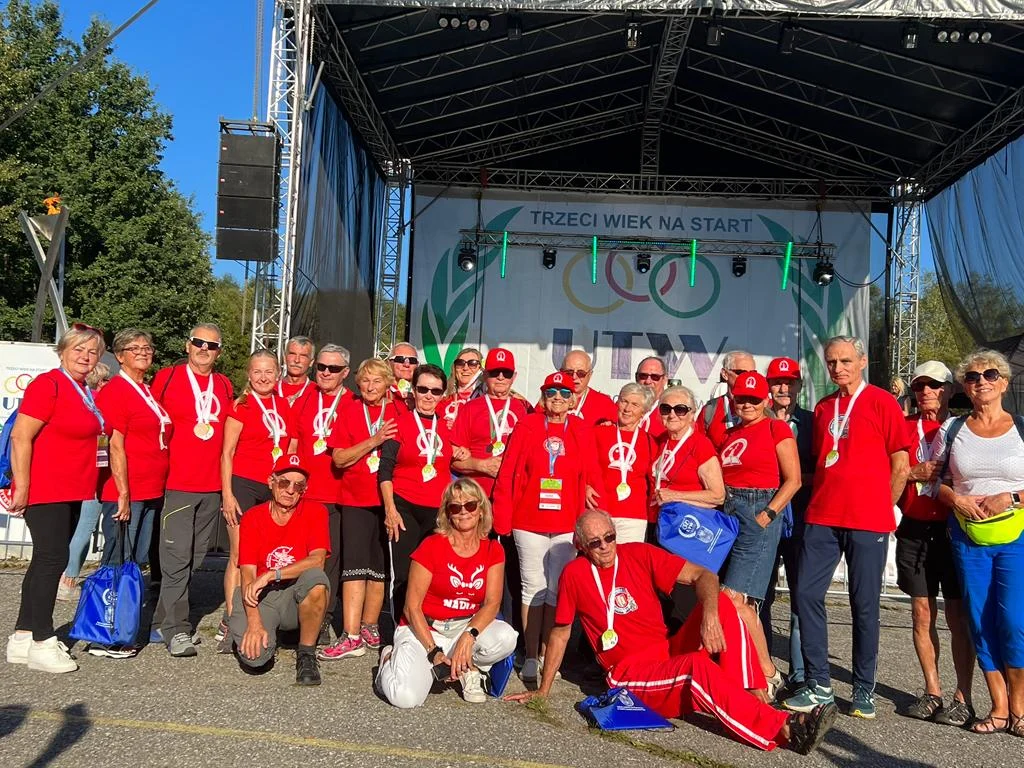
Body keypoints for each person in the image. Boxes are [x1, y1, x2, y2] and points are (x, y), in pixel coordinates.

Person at [506, 510, 837, 755]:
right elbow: (561, 633)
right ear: (580, 543)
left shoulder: (636, 553)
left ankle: (752, 695)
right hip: (629, 675)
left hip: (666, 652)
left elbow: (703, 575)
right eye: (595, 542)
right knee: (697, 666)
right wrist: (544, 690)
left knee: (722, 603)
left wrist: (708, 614)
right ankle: (784, 727)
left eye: (610, 537)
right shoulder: (575, 574)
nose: (606, 546)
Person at [783, 336, 910, 719]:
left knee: (865, 605)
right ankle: (819, 684)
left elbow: (901, 465)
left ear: (862, 360)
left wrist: (880, 506)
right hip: (822, 516)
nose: (838, 368)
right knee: (804, 594)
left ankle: (862, 689)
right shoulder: (823, 408)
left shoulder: (882, 402)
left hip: (866, 520)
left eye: (845, 360)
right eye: (831, 361)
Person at [5, 325, 106, 673]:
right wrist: (22, 485)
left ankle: (22, 636)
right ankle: (42, 640)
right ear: (62, 351)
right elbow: (21, 436)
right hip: (47, 487)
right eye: (78, 349)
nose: (86, 356)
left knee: (44, 561)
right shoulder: (48, 385)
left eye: (92, 351)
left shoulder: (82, 389)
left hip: (73, 488)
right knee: (52, 559)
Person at [934, 349, 1024, 736]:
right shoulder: (951, 430)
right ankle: (999, 708)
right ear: (965, 388)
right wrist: (956, 498)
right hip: (967, 538)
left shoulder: (1021, 427)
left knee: (1014, 621)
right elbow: (929, 480)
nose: (981, 381)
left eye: (989, 374)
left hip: (1016, 539)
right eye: (972, 377)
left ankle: (1020, 708)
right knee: (979, 620)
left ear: (1004, 382)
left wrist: (1011, 497)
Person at [493, 372, 601, 683]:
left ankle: (545, 653)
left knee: (557, 589)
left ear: (573, 399)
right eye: (551, 391)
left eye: (564, 393)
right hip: (529, 520)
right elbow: (508, 473)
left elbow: (593, 474)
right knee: (532, 588)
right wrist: (503, 518)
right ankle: (528, 655)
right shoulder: (527, 425)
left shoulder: (580, 429)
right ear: (543, 396)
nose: (557, 398)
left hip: (567, 524)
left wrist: (593, 508)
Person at [376, 478, 518, 707]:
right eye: (455, 507)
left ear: (481, 510)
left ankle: (466, 667)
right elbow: (411, 607)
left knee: (506, 637)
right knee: (405, 698)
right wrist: (433, 652)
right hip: (425, 629)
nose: (463, 512)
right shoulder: (431, 546)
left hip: (464, 626)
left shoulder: (493, 549)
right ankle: (388, 661)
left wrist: (468, 636)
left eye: (470, 505)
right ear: (447, 513)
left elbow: (492, 603)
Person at [897, 360, 975, 726]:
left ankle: (963, 696)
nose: (925, 392)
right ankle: (932, 691)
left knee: (958, 617)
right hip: (913, 528)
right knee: (921, 613)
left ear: (948, 390)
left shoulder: (963, 428)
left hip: (952, 530)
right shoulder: (902, 427)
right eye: (919, 386)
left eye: (933, 385)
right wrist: (912, 473)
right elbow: (887, 472)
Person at [150, 324, 235, 657]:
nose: (204, 349)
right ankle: (176, 629)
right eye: (199, 342)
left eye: (212, 345)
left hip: (212, 487)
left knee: (195, 559)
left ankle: (161, 622)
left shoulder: (225, 385)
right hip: (178, 484)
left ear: (219, 352)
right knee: (175, 557)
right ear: (187, 346)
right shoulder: (167, 378)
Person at [87, 330, 172, 658]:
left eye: (147, 347)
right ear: (119, 356)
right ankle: (104, 634)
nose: (142, 352)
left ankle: (125, 627)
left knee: (135, 563)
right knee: (117, 561)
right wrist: (122, 492)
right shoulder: (116, 392)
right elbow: (115, 444)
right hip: (126, 492)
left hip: (149, 490)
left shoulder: (146, 390)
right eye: (133, 348)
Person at [717, 371, 799, 696]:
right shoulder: (729, 433)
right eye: (742, 398)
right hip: (729, 512)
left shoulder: (776, 428)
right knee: (739, 603)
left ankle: (766, 674)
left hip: (758, 509)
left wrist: (767, 514)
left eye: (754, 398)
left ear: (765, 400)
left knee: (735, 597)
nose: (748, 404)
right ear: (733, 400)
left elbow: (793, 479)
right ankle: (761, 674)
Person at [379, 364, 470, 641]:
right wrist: (390, 509)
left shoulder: (446, 426)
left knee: (432, 573)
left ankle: (426, 629)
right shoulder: (400, 422)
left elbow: (455, 455)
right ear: (413, 392)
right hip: (404, 505)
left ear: (443, 394)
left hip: (438, 511)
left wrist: (461, 450)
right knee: (403, 573)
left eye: (435, 391)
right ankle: (399, 633)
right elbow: (385, 470)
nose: (429, 396)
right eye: (423, 389)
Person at [320, 358, 399, 660]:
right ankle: (351, 635)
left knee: (378, 569)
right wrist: (374, 440)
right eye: (365, 381)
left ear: (388, 383)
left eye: (376, 381)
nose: (369, 386)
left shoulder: (397, 411)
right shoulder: (350, 410)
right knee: (354, 568)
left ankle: (370, 625)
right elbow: (339, 459)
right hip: (354, 498)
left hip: (387, 499)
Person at [230, 453, 330, 686]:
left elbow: (317, 560)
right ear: (271, 482)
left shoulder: (316, 512)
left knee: (317, 580)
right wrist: (254, 624)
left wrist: (271, 574)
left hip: (294, 591)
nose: (290, 490)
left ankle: (306, 653)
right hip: (262, 597)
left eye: (298, 486)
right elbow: (247, 574)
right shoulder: (253, 517)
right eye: (284, 482)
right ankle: (272, 632)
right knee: (254, 659)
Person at [218, 350, 295, 651]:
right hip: (244, 484)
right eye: (257, 372)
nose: (263, 377)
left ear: (278, 374)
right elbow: (226, 453)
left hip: (273, 487)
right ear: (249, 375)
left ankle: (262, 614)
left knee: (267, 554)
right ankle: (230, 619)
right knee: (240, 555)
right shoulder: (242, 406)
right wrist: (227, 494)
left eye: (269, 371)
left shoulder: (284, 405)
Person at [760, 356, 814, 694]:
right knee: (761, 596)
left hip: (803, 520)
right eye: (777, 382)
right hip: (765, 518)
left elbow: (825, 469)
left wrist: (793, 479)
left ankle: (800, 673)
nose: (783, 388)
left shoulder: (812, 422)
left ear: (798, 386)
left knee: (801, 596)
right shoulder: (755, 421)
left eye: (790, 382)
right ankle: (761, 667)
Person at [292, 343, 352, 640]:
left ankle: (324, 618)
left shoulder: (353, 402)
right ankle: (293, 615)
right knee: (298, 557)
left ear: (346, 373)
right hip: (302, 494)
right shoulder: (304, 396)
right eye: (322, 367)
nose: (326, 373)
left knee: (329, 561)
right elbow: (292, 441)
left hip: (336, 495)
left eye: (334, 368)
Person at [55, 360, 112, 602]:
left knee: (81, 526)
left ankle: (64, 577)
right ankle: (67, 580)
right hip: (99, 473)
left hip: (85, 471)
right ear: (99, 381)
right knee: (86, 527)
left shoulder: (86, 401)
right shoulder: (100, 402)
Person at [450, 348, 531, 499]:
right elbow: (454, 462)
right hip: (476, 497)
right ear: (485, 375)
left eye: (506, 373)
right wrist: (481, 466)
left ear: (513, 377)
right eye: (495, 372)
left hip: (513, 496)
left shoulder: (524, 409)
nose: (500, 377)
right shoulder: (470, 408)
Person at [649, 386, 724, 523]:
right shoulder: (660, 440)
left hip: (683, 526)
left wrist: (675, 496)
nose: (672, 415)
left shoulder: (701, 445)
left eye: (680, 409)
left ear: (692, 414)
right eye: (666, 409)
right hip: (656, 520)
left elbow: (718, 495)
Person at [593, 383, 655, 544]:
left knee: (629, 563)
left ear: (644, 411)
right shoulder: (599, 432)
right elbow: (584, 466)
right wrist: (585, 487)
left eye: (635, 405)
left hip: (633, 516)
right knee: (600, 562)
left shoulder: (650, 441)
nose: (627, 408)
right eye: (624, 401)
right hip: (600, 510)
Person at [698, 350, 757, 451]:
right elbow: (697, 447)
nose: (747, 378)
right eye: (740, 373)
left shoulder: (763, 406)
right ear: (725, 374)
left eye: (752, 373)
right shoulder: (709, 411)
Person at [554, 350, 617, 425]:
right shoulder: (551, 398)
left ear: (590, 375)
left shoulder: (604, 403)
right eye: (569, 373)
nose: (574, 377)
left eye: (581, 373)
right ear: (561, 372)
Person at [438, 347, 484, 429]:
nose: (465, 368)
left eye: (472, 363)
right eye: (460, 363)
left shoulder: (486, 398)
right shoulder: (443, 396)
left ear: (480, 369)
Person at [635, 356, 668, 439]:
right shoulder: (624, 406)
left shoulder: (674, 410)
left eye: (655, 377)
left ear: (664, 379)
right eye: (643, 376)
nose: (648, 381)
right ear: (636, 377)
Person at [278, 336, 315, 406]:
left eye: (303, 356)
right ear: (285, 358)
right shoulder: (271, 390)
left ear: (311, 362)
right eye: (292, 354)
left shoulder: (317, 392)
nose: (297, 360)